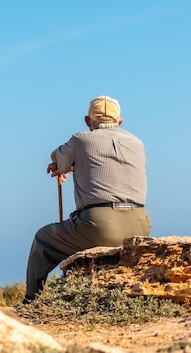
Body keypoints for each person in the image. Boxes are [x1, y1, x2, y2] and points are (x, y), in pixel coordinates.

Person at [23, 95, 152, 303]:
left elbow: (56, 156)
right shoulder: (137, 143)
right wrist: (77, 166)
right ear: (120, 122)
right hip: (141, 224)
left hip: (99, 224)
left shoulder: (80, 139)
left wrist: (61, 165)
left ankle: (31, 301)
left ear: (87, 121)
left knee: (43, 239)